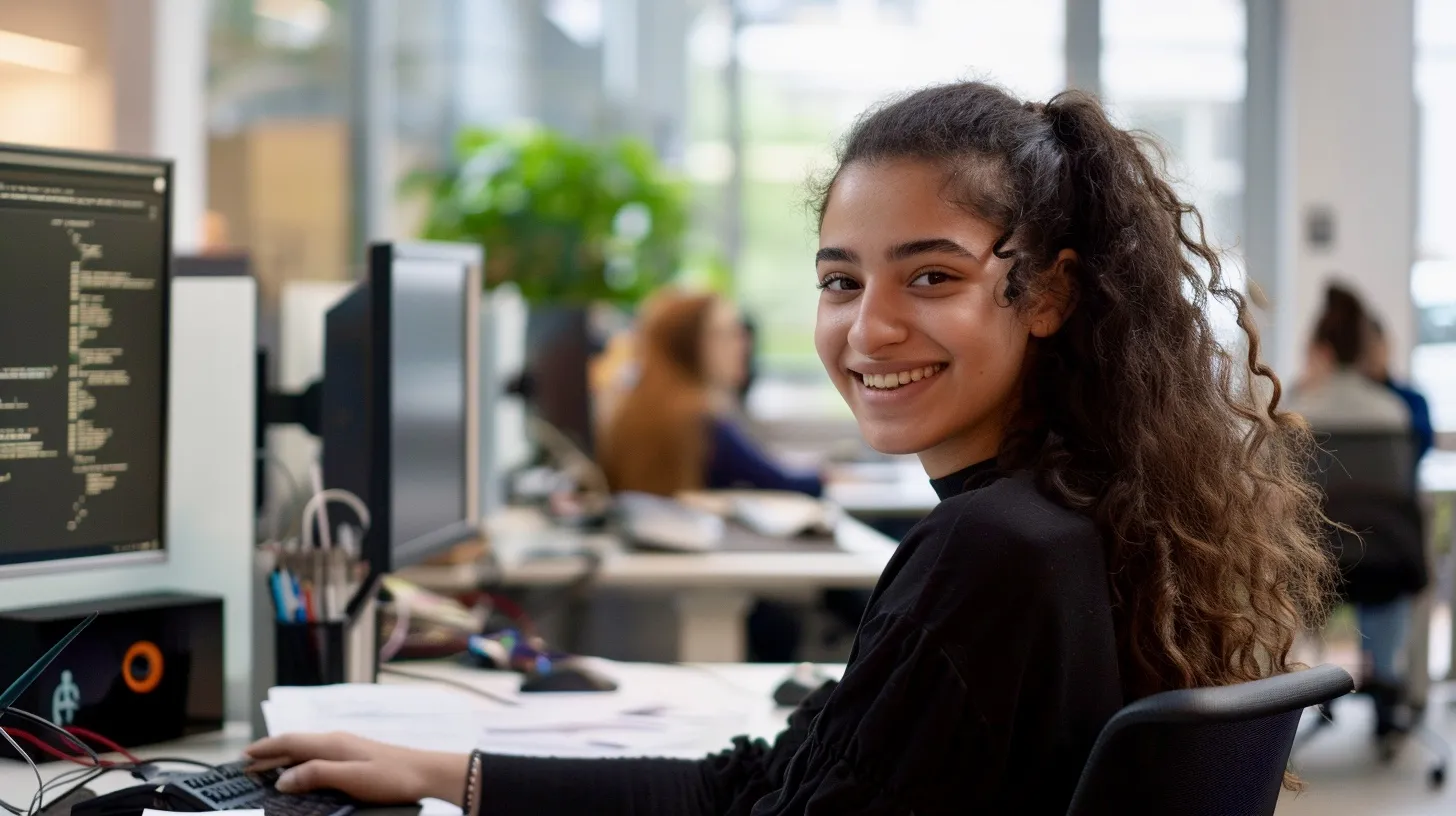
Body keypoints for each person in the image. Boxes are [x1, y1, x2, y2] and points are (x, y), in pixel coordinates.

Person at [245, 82, 1334, 814]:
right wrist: (449, 773)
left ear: (1044, 291)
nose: (868, 330)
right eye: (838, 281)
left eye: (931, 277)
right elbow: (773, 784)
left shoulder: (992, 552)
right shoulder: (1085, 513)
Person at [1288, 285, 1421, 745]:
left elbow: (1286, 500)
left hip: (1315, 570)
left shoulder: (1298, 413)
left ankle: (1287, 696)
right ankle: (1386, 687)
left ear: (1320, 350)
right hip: (1386, 567)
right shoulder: (1394, 413)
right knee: (1387, 568)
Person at [597, 290, 824, 498]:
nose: (742, 345)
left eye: (740, 333)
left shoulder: (635, 406)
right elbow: (782, 482)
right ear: (688, 346)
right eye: (725, 334)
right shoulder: (699, 419)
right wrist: (833, 477)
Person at [1363, 317, 1435, 463]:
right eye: (1364, 348)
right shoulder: (1345, 401)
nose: (1371, 355)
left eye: (1375, 345)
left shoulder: (1413, 401)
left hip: (1397, 483)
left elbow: (1417, 448)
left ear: (1386, 346)